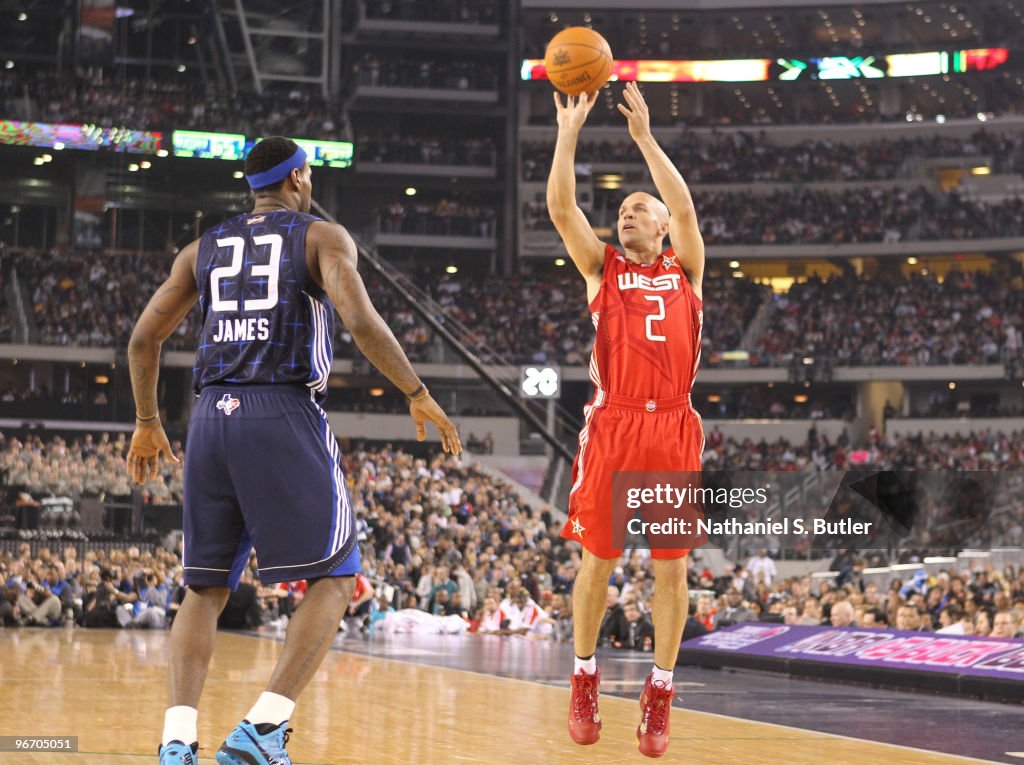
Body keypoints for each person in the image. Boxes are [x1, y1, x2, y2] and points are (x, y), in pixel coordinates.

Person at [125, 136, 462, 765]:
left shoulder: (201, 250)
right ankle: (264, 726)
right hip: (279, 410)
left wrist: (147, 420)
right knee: (337, 576)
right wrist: (416, 391)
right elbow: (360, 322)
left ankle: (176, 742)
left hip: (210, 419)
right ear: (300, 178)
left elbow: (143, 340)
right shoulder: (320, 237)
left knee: (203, 591)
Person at [548, 83, 705, 758]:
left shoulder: (687, 267)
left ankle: (660, 691)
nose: (627, 217)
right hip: (613, 423)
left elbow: (689, 208)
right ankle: (584, 675)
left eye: (639, 209)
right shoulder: (602, 269)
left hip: (671, 426)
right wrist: (568, 133)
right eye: (621, 211)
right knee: (598, 562)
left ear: (663, 224)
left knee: (671, 570)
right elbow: (561, 208)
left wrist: (644, 138)